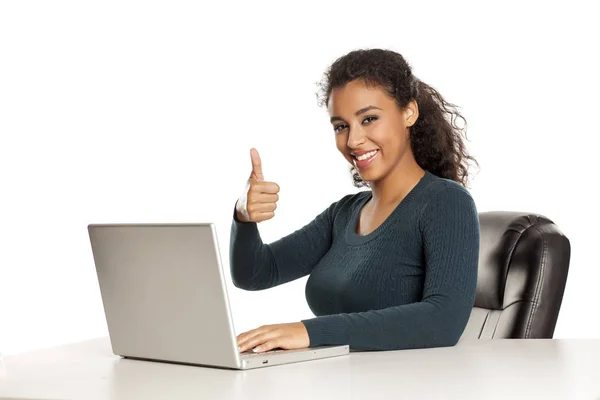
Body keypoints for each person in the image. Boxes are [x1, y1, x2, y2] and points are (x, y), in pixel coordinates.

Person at [230, 48, 480, 353]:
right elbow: (255, 273)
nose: (352, 141)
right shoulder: (345, 213)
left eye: (369, 119)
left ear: (409, 113)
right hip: (340, 380)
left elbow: (444, 321)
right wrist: (243, 216)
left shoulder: (446, 203)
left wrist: (310, 332)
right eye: (341, 126)